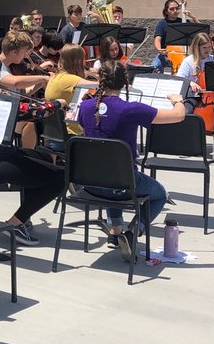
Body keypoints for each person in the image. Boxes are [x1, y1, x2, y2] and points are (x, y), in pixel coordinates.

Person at [77, 60, 188, 257]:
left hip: (90, 184)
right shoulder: (130, 109)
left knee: (108, 169)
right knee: (160, 194)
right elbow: (178, 116)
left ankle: (115, 231)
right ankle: (132, 232)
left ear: (100, 80)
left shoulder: (85, 106)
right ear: (125, 82)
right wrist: (177, 99)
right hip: (123, 184)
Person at [0, 53, 65, 243]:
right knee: (59, 176)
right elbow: (36, 111)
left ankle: (24, 217)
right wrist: (58, 103)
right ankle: (15, 224)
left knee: (44, 158)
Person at [0, 30, 49, 95]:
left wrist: (41, 83)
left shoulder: (11, 67)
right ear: (14, 52)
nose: (26, 56)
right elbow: (15, 82)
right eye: (25, 52)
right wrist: (43, 78)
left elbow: (20, 94)